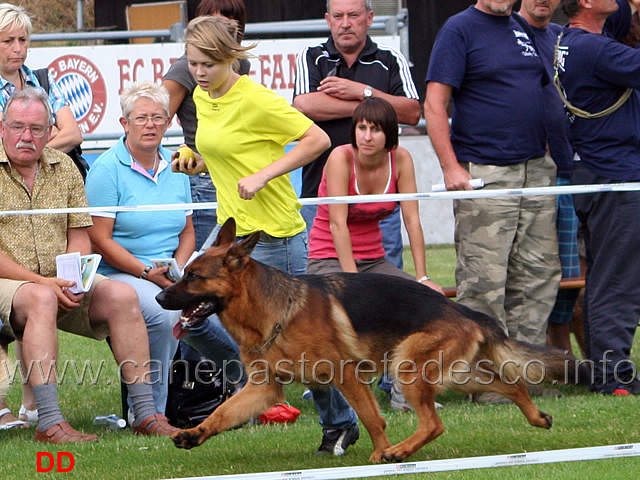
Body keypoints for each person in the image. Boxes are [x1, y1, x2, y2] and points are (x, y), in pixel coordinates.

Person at [0, 87, 179, 442]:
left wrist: (74, 277)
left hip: (57, 283)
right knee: (40, 298)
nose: (26, 137)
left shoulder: (65, 167)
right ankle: (49, 422)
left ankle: (145, 413)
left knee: (122, 295)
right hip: (10, 282)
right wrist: (42, 282)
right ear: (1, 127)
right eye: (17, 126)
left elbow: (80, 233)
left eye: (37, 129)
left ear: (51, 130)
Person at [424, 0, 562, 402]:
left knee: (538, 275)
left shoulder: (522, 29)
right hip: (485, 172)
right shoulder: (459, 28)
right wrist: (451, 168)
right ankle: (487, 384)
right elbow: (434, 104)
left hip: (536, 169)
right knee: (485, 282)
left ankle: (527, 376)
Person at [85, 82, 243, 416]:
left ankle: (247, 385)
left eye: (158, 117)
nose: (151, 125)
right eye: (141, 118)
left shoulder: (176, 167)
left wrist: (180, 270)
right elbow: (99, 239)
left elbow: (187, 231)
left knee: (221, 304)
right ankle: (148, 413)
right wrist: (146, 272)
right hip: (120, 273)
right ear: (125, 123)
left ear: (168, 122)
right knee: (163, 313)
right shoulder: (106, 170)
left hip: (172, 270)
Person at [307, 98, 444, 414]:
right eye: (361, 128)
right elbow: (337, 223)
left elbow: (412, 219)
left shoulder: (402, 159)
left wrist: (422, 276)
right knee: (350, 315)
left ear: (390, 136)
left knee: (428, 303)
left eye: (376, 130)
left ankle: (404, 389)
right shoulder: (340, 158)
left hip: (375, 259)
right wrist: (353, 281)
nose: (366, 137)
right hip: (330, 257)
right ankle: (342, 397)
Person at [0, 2, 85, 427]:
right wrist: (38, 140)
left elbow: (72, 132)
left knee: (40, 288)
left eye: (23, 40)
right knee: (30, 290)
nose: (18, 49)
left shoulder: (44, 79)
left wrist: (33, 147)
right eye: (8, 40)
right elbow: (53, 133)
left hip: (45, 185)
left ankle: (34, 405)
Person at [293, 0, 421, 270]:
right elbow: (305, 105)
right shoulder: (312, 56)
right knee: (328, 295)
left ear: (370, 18)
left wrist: (362, 90)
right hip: (321, 192)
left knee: (384, 293)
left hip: (378, 196)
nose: (345, 23)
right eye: (338, 16)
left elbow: (411, 112)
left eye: (353, 15)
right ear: (328, 20)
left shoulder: (390, 59)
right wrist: (373, 110)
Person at [555, 0, 640, 395]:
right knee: (617, 280)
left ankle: (605, 369)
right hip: (615, 176)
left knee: (606, 275)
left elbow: (624, 11)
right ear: (586, 3)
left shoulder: (575, 40)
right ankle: (614, 377)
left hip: (595, 171)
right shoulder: (597, 49)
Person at [516, 0, 582, 353]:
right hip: (522, 169)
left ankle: (560, 356)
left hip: (568, 167)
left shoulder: (561, 38)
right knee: (528, 268)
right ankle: (530, 354)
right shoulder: (507, 33)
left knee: (567, 270)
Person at [162, 0, 250, 251]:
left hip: (234, 170)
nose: (223, 26)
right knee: (207, 262)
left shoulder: (240, 62)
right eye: (215, 21)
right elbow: (157, 117)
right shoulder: (182, 68)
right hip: (203, 178)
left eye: (230, 21)